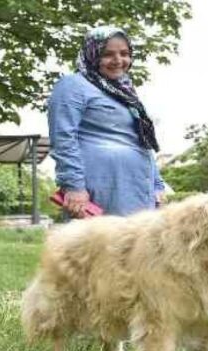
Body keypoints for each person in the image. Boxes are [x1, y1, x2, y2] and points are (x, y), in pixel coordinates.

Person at [48, 26, 166, 218]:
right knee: (101, 247)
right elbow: (63, 139)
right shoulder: (72, 85)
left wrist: (157, 184)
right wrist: (73, 186)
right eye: (108, 54)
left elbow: (141, 141)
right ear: (92, 53)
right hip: (101, 187)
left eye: (124, 53)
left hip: (137, 189)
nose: (118, 60)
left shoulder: (124, 91)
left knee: (136, 246)